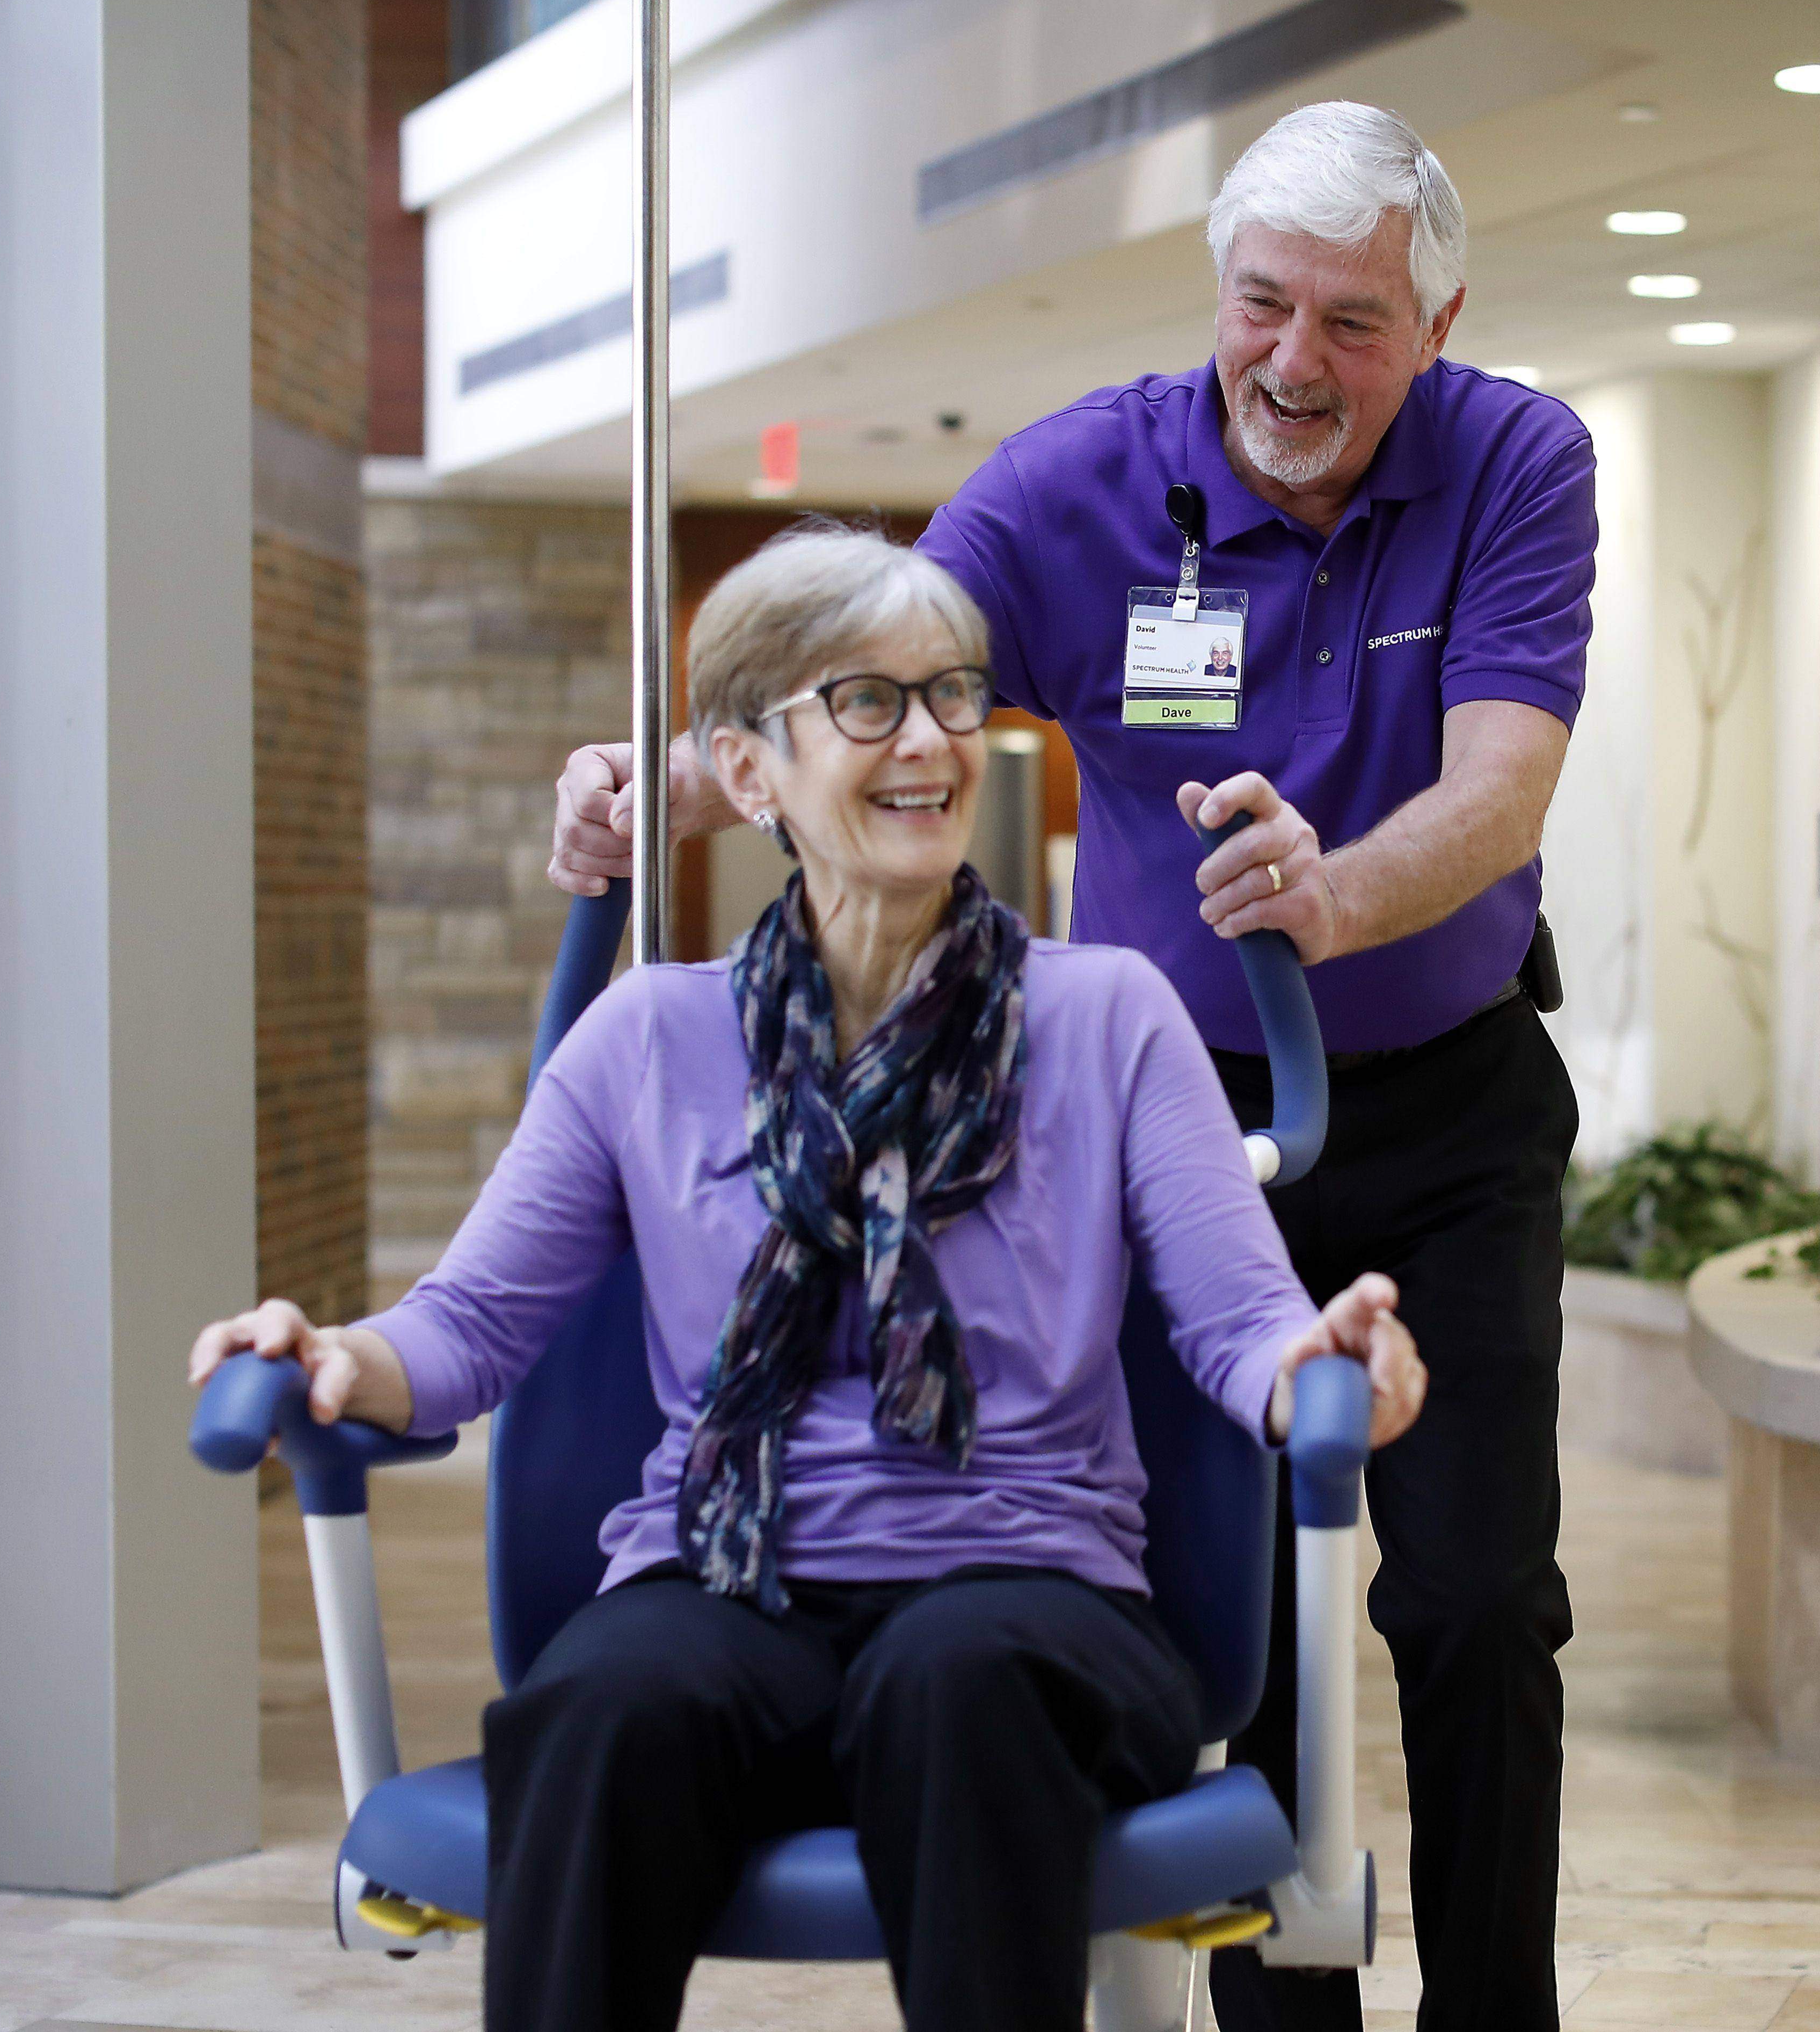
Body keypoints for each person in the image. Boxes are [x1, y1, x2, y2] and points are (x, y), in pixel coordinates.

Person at [549, 101, 1593, 2032]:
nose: (1296, 361)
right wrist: (671, 789)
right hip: (1170, 1119)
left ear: (1435, 328)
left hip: (1445, 1103)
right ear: (1217, 291)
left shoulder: (1516, 458)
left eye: (1355, 324)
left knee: (1468, 1604)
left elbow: (1502, 787)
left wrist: (1330, 896)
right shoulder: (1075, 485)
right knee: (1258, 1610)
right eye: (1263, 306)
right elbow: (864, 686)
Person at [195, 526, 1428, 2032]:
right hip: (730, 1577)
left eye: (956, 697)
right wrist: (329, 1354)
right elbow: (464, 1329)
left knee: (958, 1682)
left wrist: (1323, 1363)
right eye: (867, 703)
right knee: (603, 1708)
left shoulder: (1110, 1017)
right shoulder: (645, 1039)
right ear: (748, 767)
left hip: (1030, 1588)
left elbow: (1241, 1323)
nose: (929, 742)